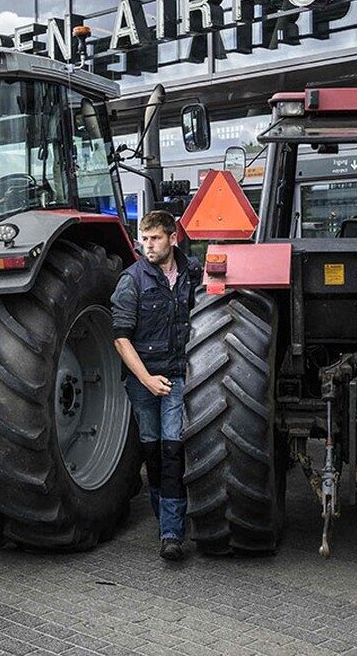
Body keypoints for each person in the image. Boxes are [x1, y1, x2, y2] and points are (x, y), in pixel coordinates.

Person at [111, 210, 201, 561]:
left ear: (172, 238)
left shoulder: (191, 273)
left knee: (172, 451)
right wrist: (146, 380)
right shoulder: (131, 281)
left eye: (155, 239)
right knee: (153, 453)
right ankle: (165, 519)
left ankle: (171, 533)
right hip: (144, 381)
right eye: (144, 239)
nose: (148, 246)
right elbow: (120, 339)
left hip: (176, 376)